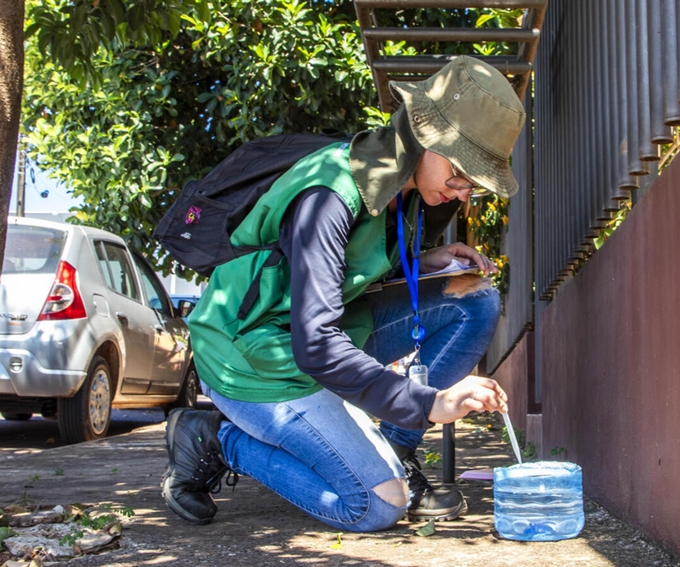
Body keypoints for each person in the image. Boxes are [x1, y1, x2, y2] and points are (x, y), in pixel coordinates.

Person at [161, 55, 527, 532]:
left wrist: (422, 262)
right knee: (376, 507)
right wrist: (427, 403)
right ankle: (216, 438)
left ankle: (395, 449)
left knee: (473, 299)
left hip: (328, 334)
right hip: (253, 356)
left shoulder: (406, 186)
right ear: (422, 134)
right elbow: (315, 343)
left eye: (474, 184)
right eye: (461, 173)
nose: (463, 192)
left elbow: (348, 269)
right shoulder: (329, 193)